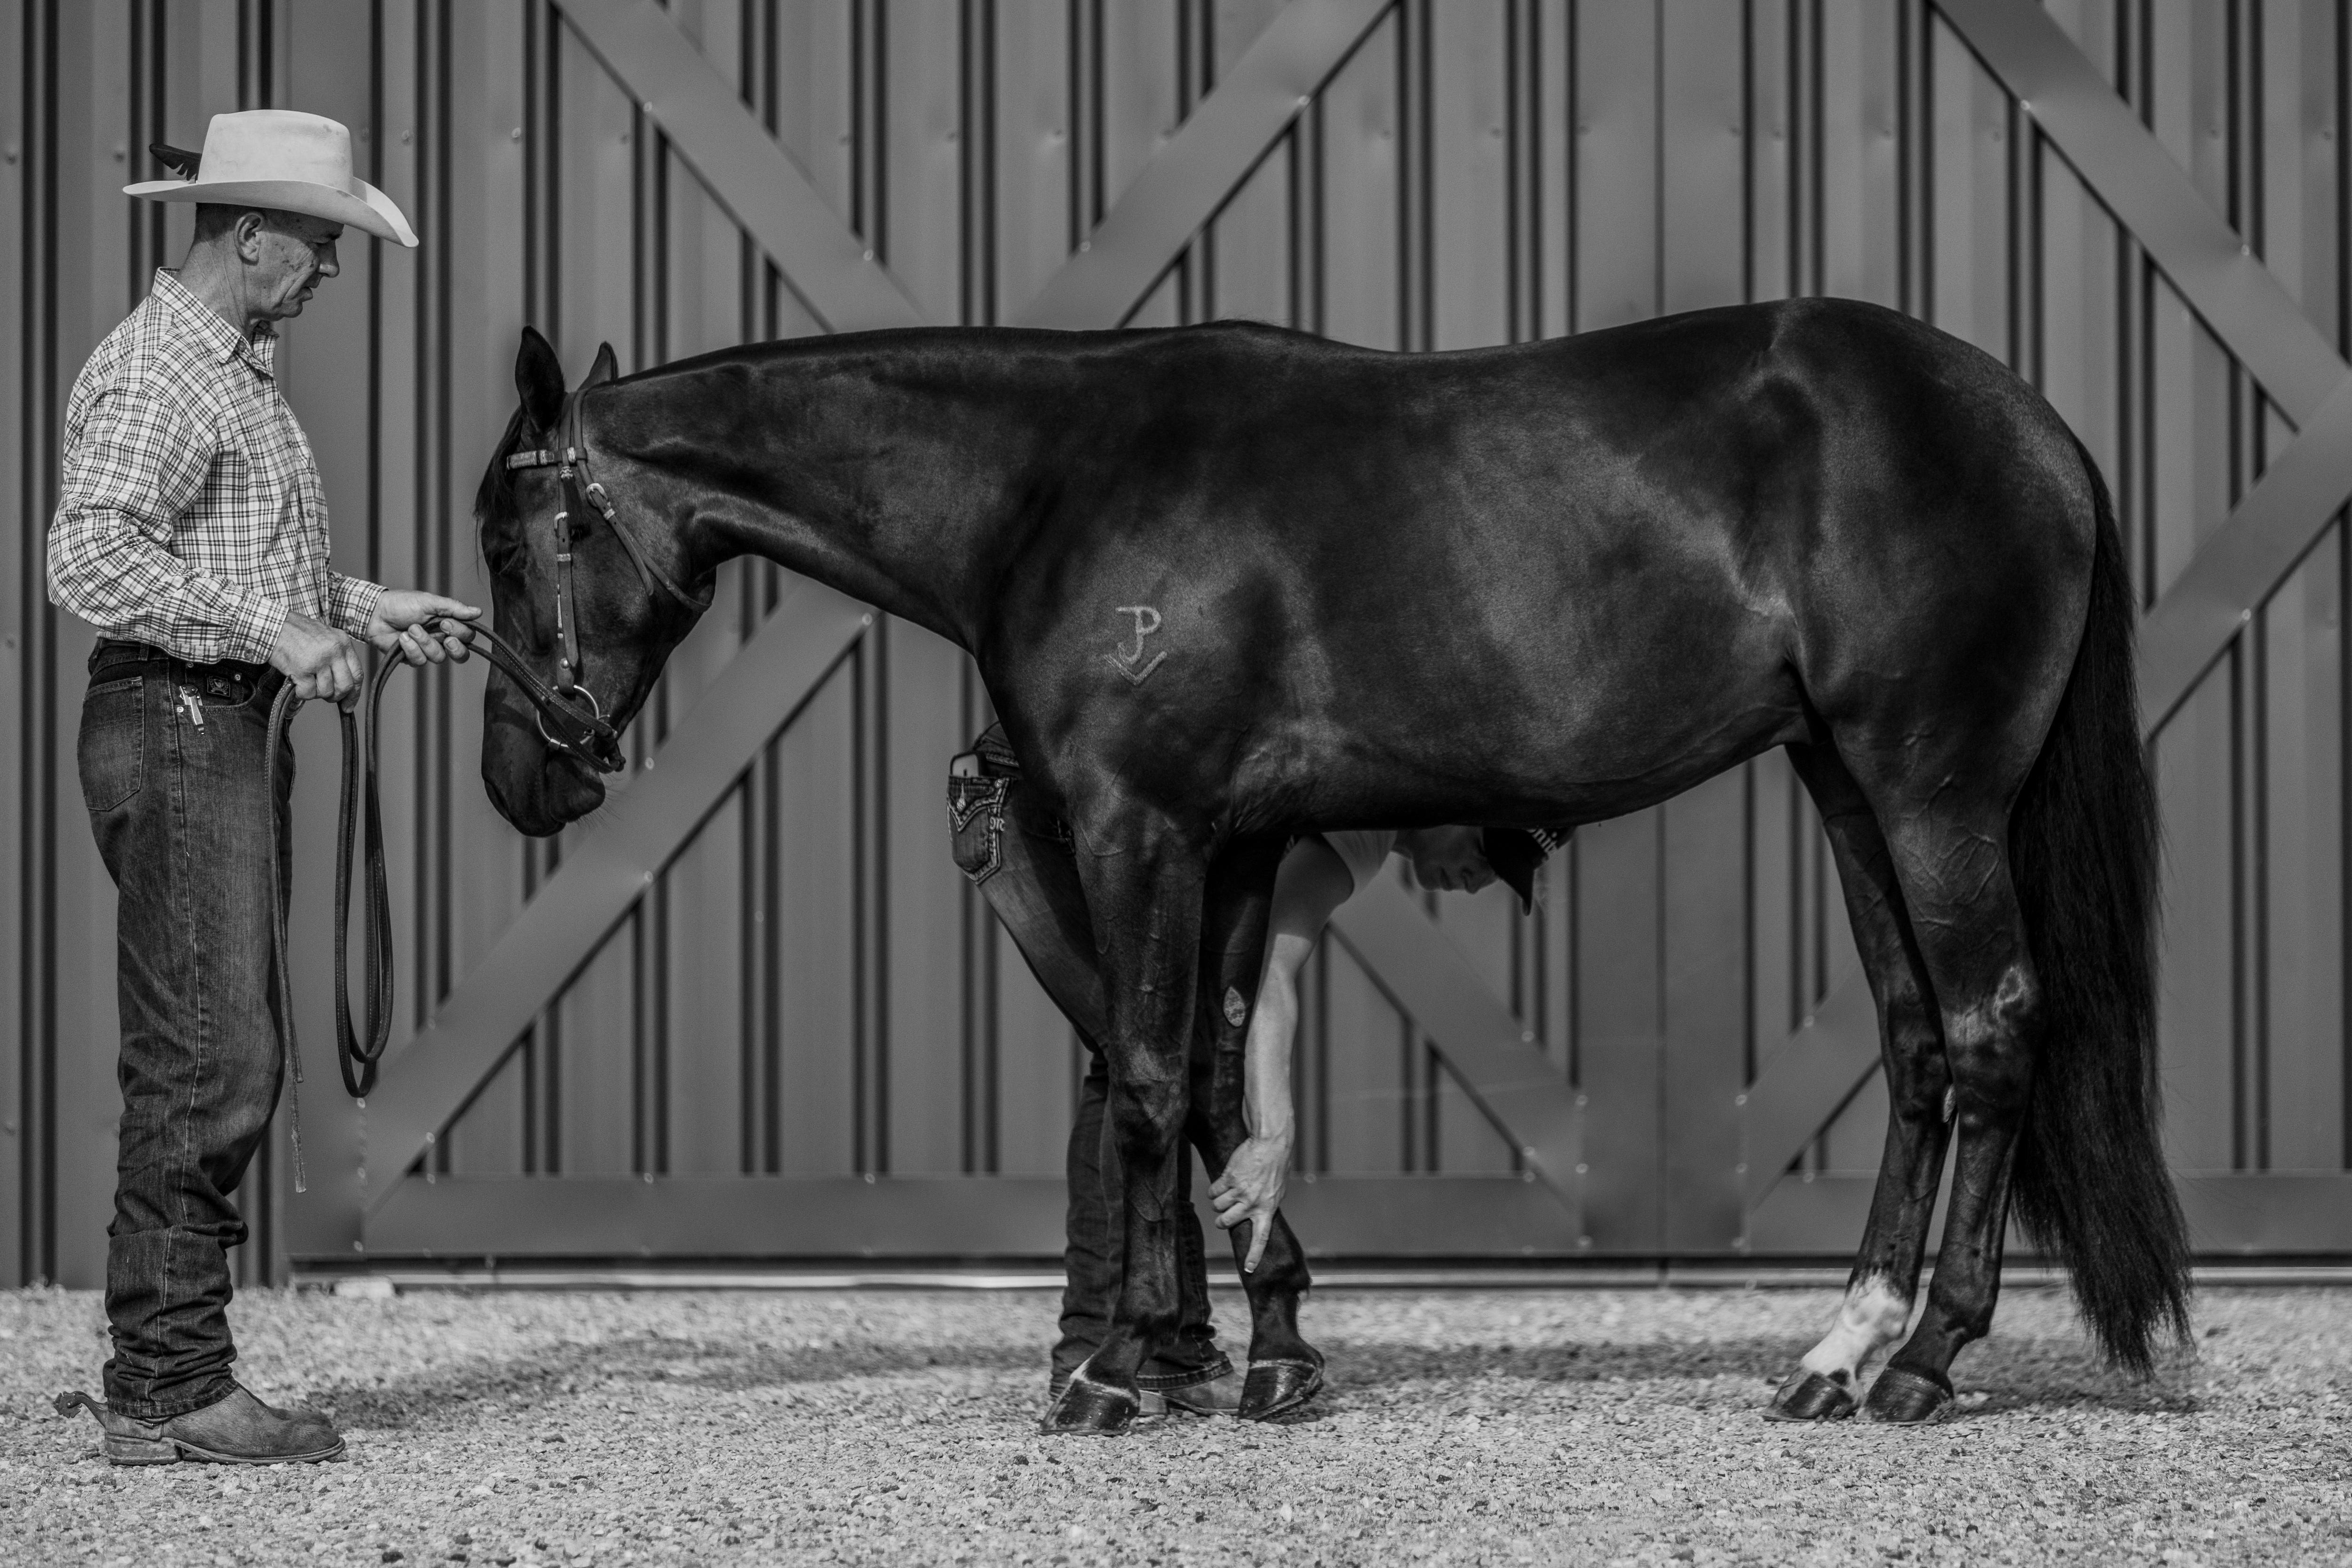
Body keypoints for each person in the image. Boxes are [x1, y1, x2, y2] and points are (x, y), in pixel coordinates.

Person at [46, 111, 476, 1466]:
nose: (332, 269)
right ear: (251, 237)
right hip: (181, 718)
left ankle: (166, 1369)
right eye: (323, 244)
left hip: (215, 717)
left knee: (224, 1047)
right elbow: (91, 558)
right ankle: (168, 1380)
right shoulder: (163, 372)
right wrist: (279, 638)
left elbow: (235, 567)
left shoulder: (231, 371)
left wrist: (358, 605)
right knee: (213, 1054)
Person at [949, 723, 1554, 1414]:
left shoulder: (1366, 825)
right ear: (1464, 801)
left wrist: (1267, 1136)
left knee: (1138, 1062)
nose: (1480, 883)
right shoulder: (1369, 805)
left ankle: (1154, 1355)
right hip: (1032, 803)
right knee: (1147, 1060)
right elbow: (1267, 977)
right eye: (1487, 850)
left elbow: (1266, 968)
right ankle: (1125, 1348)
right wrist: (1273, 1137)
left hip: (1081, 808)